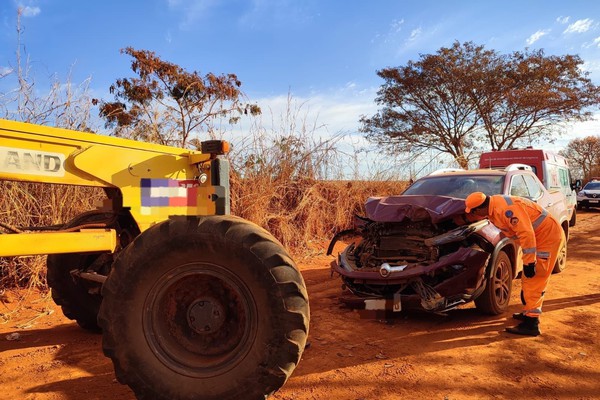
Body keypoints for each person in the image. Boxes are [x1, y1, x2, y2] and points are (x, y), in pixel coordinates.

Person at [464, 192, 565, 336]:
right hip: (539, 237)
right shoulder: (493, 208)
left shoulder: (507, 210)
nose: (473, 215)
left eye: (473, 212)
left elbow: (526, 234)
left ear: (480, 208)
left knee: (535, 279)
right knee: (528, 279)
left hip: (547, 237)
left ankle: (532, 324)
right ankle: (528, 313)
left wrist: (529, 262)